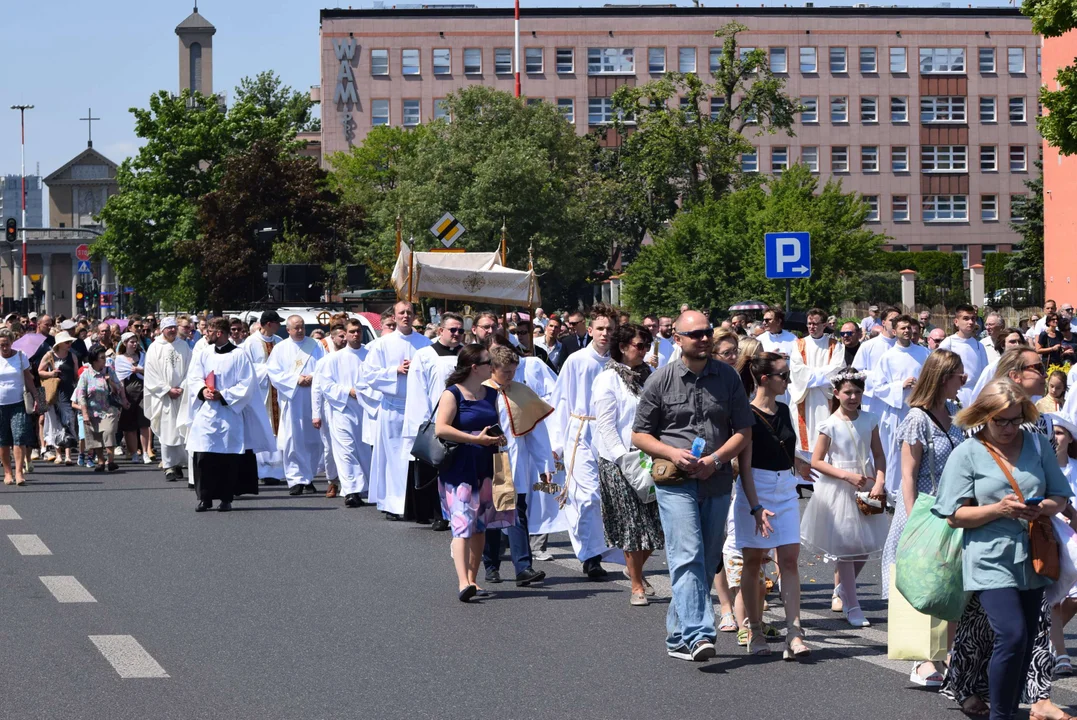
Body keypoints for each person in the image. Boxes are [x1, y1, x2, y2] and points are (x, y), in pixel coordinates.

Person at [934, 379, 1071, 720]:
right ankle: (1000, 715)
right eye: (1000, 420)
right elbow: (954, 515)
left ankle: (1008, 712)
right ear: (983, 416)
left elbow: (1060, 495)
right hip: (988, 556)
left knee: (1023, 642)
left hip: (1034, 556)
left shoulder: (1038, 444)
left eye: (1015, 419)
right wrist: (998, 509)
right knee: (1011, 635)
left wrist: (1042, 508)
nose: (1009, 428)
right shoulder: (967, 452)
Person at [631, 310, 754, 661]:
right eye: (695, 333)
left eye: (707, 332)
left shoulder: (728, 378)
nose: (703, 338)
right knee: (686, 554)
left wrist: (715, 460)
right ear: (678, 340)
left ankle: (676, 637)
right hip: (675, 481)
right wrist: (672, 452)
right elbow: (639, 434)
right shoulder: (660, 380)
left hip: (715, 479)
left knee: (708, 557)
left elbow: (743, 431)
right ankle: (700, 633)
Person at [733, 352, 813, 660]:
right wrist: (755, 508)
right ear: (765, 379)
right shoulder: (747, 414)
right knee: (754, 561)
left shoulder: (783, 408)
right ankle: (754, 628)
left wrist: (797, 462)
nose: (789, 381)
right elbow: (745, 464)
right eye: (784, 375)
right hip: (756, 488)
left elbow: (782, 443)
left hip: (786, 487)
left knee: (790, 559)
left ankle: (795, 632)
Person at [803, 369, 888, 628]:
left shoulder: (871, 419)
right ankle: (853, 605)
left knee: (863, 547)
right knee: (847, 548)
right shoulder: (829, 424)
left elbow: (879, 455)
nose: (853, 397)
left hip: (867, 485)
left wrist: (880, 482)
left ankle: (842, 589)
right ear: (836, 393)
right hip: (839, 487)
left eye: (857, 392)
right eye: (847, 392)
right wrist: (845, 475)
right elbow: (816, 461)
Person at [593, 323, 663, 606]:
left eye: (647, 346)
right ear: (622, 347)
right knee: (633, 525)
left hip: (649, 456)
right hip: (619, 460)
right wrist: (623, 458)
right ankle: (636, 585)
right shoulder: (608, 379)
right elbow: (607, 425)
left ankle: (634, 568)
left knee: (657, 525)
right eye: (639, 346)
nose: (644, 351)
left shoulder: (650, 376)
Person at [433, 344, 509, 602]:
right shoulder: (452, 394)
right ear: (475, 367)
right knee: (462, 523)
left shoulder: (490, 394)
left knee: (479, 526)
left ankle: (473, 580)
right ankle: (463, 582)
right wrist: (474, 439)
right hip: (459, 467)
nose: (493, 366)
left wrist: (497, 438)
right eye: (489, 362)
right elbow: (441, 429)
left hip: (486, 465)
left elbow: (494, 423)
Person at [550, 304, 621, 579]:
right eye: (600, 328)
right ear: (590, 330)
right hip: (580, 431)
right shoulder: (577, 361)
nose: (604, 333)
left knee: (606, 496)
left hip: (608, 435)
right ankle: (590, 555)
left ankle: (602, 550)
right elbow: (561, 400)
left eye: (609, 329)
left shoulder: (617, 363)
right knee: (587, 495)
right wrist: (557, 443)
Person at [481, 345, 552, 588]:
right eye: (505, 373)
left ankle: (524, 567)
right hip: (489, 461)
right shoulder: (479, 392)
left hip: (516, 461)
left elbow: (536, 433)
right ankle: (491, 565)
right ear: (492, 369)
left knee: (516, 513)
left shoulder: (521, 392)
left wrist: (545, 464)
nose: (510, 377)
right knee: (491, 514)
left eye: (513, 372)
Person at [185, 317, 272, 513]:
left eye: (209, 331)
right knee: (203, 456)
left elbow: (247, 384)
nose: (206, 334)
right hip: (207, 412)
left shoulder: (239, 356)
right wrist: (202, 391)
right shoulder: (204, 354)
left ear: (219, 333)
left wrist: (223, 395)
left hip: (229, 412)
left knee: (227, 458)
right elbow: (194, 376)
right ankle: (204, 498)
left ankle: (226, 498)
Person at [362, 301, 432, 519]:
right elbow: (369, 375)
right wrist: (396, 370)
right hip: (393, 408)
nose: (406, 316)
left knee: (415, 457)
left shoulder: (425, 343)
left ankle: (417, 504)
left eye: (409, 313)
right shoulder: (382, 344)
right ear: (394, 315)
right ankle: (393, 504)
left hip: (418, 408)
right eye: (401, 313)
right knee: (393, 458)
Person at [402, 312, 464, 529]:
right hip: (436, 418)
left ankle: (459, 510)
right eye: (452, 330)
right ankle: (439, 513)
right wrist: (424, 423)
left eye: (460, 330)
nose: (457, 334)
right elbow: (418, 391)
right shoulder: (425, 355)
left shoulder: (467, 354)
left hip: (463, 419)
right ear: (440, 331)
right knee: (437, 467)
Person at [312, 319, 370, 508]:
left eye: (358, 331)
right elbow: (325, 385)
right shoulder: (331, 360)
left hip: (366, 411)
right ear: (344, 334)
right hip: (341, 410)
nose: (356, 334)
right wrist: (347, 392)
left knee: (364, 451)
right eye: (352, 331)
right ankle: (351, 491)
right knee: (346, 451)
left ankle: (364, 488)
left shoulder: (370, 355)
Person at [266, 315, 326, 496]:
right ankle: (295, 479)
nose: (300, 331)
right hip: (292, 398)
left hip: (313, 397)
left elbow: (325, 367)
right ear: (289, 330)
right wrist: (296, 379)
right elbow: (274, 372)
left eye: (302, 327)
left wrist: (313, 377)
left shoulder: (316, 346)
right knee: (294, 439)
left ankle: (308, 477)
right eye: (296, 328)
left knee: (313, 440)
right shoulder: (280, 348)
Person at [874, 315, 931, 501]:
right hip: (897, 411)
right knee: (896, 453)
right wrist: (900, 386)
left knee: (921, 450)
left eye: (908, 328)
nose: (906, 331)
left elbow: (931, 378)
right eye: (902, 328)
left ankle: (918, 490)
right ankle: (893, 494)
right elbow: (878, 387)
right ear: (894, 331)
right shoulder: (887, 357)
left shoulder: (923, 353)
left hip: (920, 409)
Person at [788, 307, 844, 458]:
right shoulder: (798, 344)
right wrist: (821, 375)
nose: (811, 327)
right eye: (809, 324)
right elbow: (797, 370)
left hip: (825, 398)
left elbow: (837, 369)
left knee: (825, 427)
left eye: (815, 324)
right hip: (803, 396)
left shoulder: (835, 345)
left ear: (825, 325)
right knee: (802, 436)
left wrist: (811, 375)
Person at [241, 311, 286, 485]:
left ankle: (278, 470)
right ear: (268, 324)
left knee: (279, 428)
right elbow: (246, 368)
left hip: (278, 391)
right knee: (264, 427)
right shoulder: (251, 343)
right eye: (277, 323)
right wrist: (266, 370)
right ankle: (264, 470)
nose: (279, 326)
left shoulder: (280, 343)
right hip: (261, 392)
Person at [143, 318, 191, 482]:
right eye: (168, 328)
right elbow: (150, 374)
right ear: (162, 329)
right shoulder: (154, 348)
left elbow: (190, 370)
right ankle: (169, 466)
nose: (172, 330)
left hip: (181, 395)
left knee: (181, 430)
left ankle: (179, 464)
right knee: (167, 430)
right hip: (163, 397)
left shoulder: (183, 346)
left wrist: (183, 387)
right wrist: (166, 390)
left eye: (173, 327)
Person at [75, 345, 128, 473]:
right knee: (96, 437)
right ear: (94, 360)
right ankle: (100, 461)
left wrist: (110, 382)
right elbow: (80, 394)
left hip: (109, 410)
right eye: (102, 358)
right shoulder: (86, 375)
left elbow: (118, 389)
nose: (105, 360)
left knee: (109, 432)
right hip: (92, 411)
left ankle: (111, 460)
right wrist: (85, 413)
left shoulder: (109, 371)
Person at [0, 329, 37, 485]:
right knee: (3, 440)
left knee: (19, 436)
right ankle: (7, 472)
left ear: (12, 342)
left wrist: (38, 399)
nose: (4, 348)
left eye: (6, 344)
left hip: (18, 403)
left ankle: (19, 472)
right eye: (1, 345)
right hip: (1, 405)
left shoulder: (21, 356)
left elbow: (29, 379)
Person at [37, 330, 79, 466]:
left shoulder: (72, 356)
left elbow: (76, 375)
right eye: (67, 342)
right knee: (54, 422)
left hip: (68, 392)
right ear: (59, 344)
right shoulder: (49, 355)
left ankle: (67, 455)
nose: (69, 344)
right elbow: (39, 371)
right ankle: (58, 454)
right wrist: (51, 374)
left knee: (68, 422)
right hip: (53, 393)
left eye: (70, 342)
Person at [115, 332, 153, 466]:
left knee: (144, 424)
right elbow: (120, 380)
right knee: (129, 426)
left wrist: (139, 370)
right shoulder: (119, 359)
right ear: (125, 343)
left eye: (136, 341)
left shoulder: (143, 356)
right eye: (131, 342)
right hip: (128, 394)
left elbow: (152, 372)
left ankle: (145, 452)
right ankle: (134, 453)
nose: (134, 344)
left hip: (143, 392)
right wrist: (123, 399)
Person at [941, 304, 991, 407]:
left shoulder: (979, 346)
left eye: (973, 319)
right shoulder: (948, 343)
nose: (970, 322)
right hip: (954, 394)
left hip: (975, 395)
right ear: (956, 322)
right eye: (966, 319)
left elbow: (985, 374)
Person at [852, 307, 899, 411]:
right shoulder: (868, 346)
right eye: (892, 320)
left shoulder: (904, 347)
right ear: (883, 322)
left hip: (898, 400)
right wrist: (880, 378)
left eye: (898, 320)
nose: (895, 323)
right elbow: (856, 372)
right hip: (874, 401)